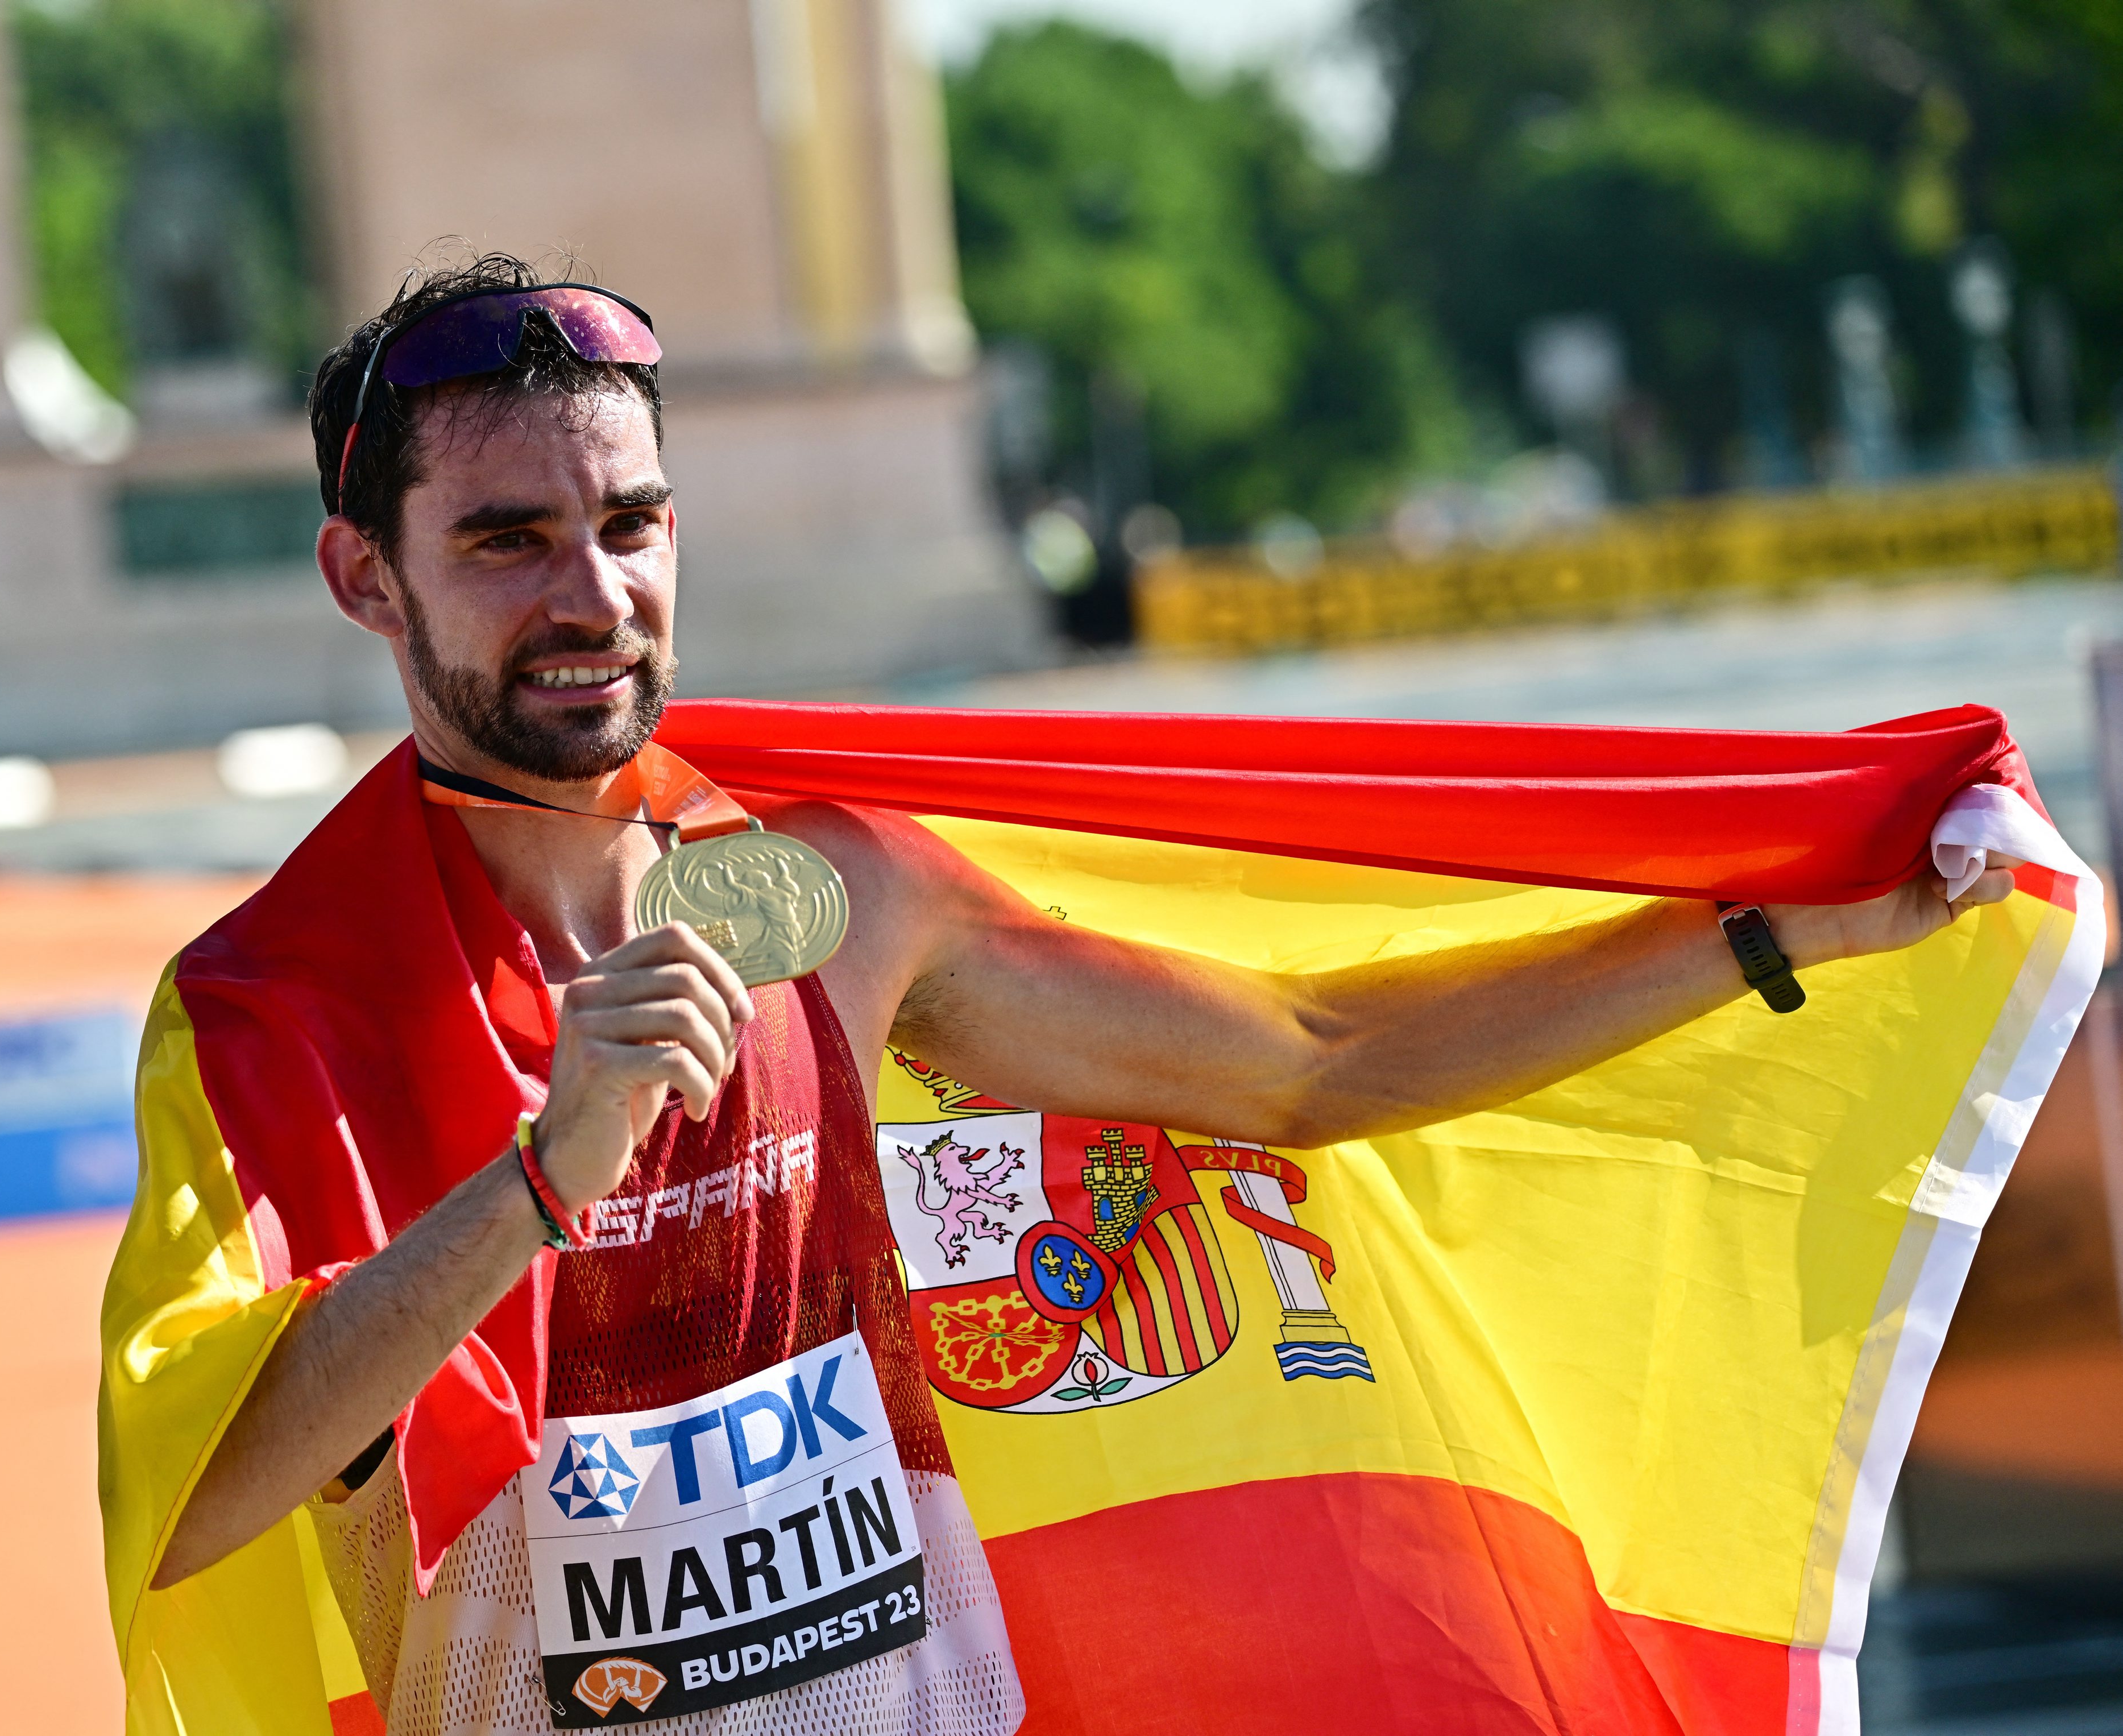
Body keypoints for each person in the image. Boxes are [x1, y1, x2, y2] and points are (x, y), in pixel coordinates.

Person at [129, 254, 2011, 1734]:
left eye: (627, 524)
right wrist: (545, 1180)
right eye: (504, 539)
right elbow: (196, 1479)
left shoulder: (827, 894)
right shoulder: (269, 1013)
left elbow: (1307, 1061)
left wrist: (1768, 937)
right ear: (364, 579)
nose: (593, 593)